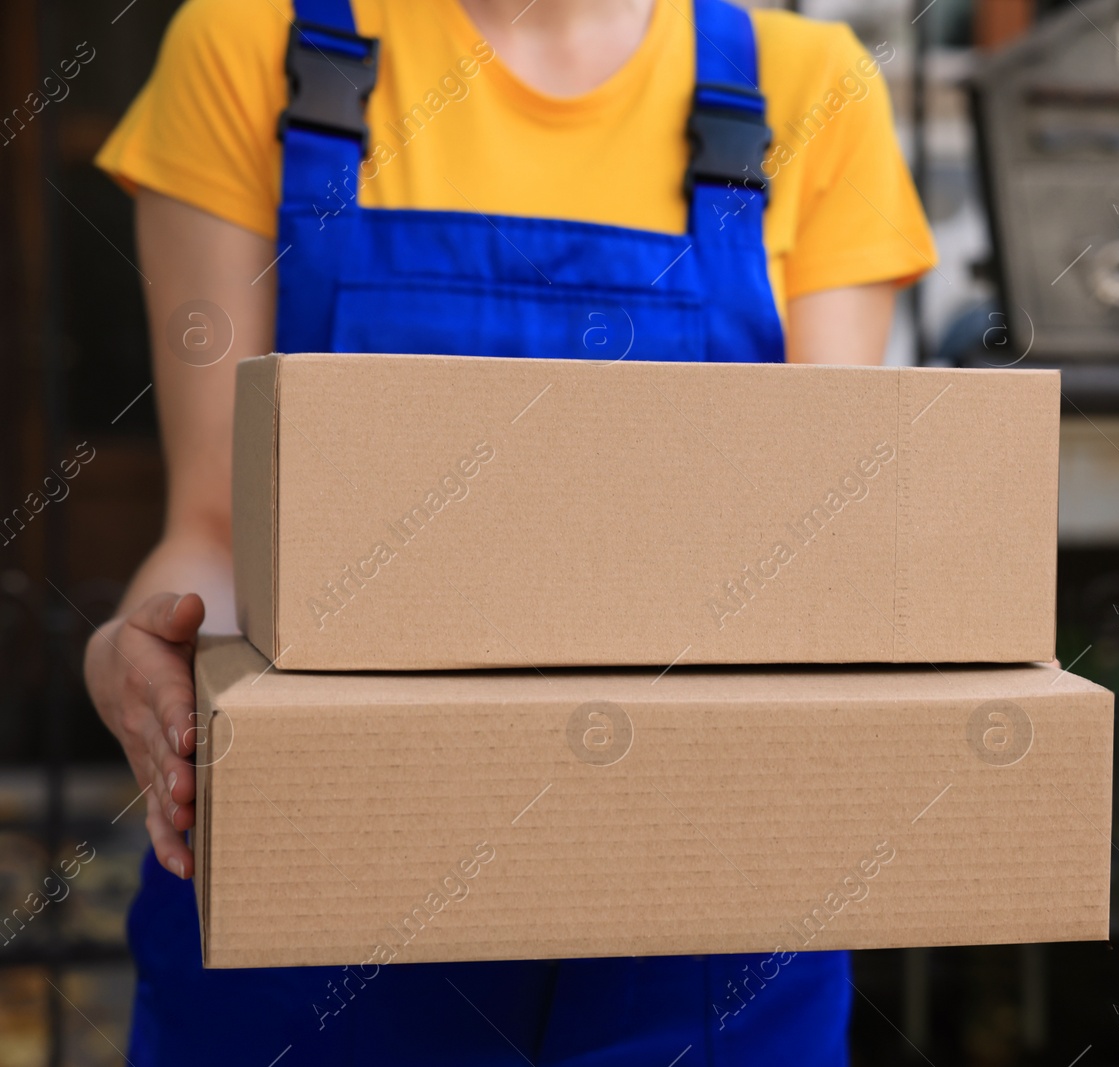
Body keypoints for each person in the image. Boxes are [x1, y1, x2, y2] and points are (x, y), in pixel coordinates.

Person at [86, 0, 935, 1062]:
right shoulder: (257, 48)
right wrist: (133, 647)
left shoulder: (809, 87)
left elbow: (814, 557)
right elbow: (213, 523)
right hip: (320, 886)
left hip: (703, 905)